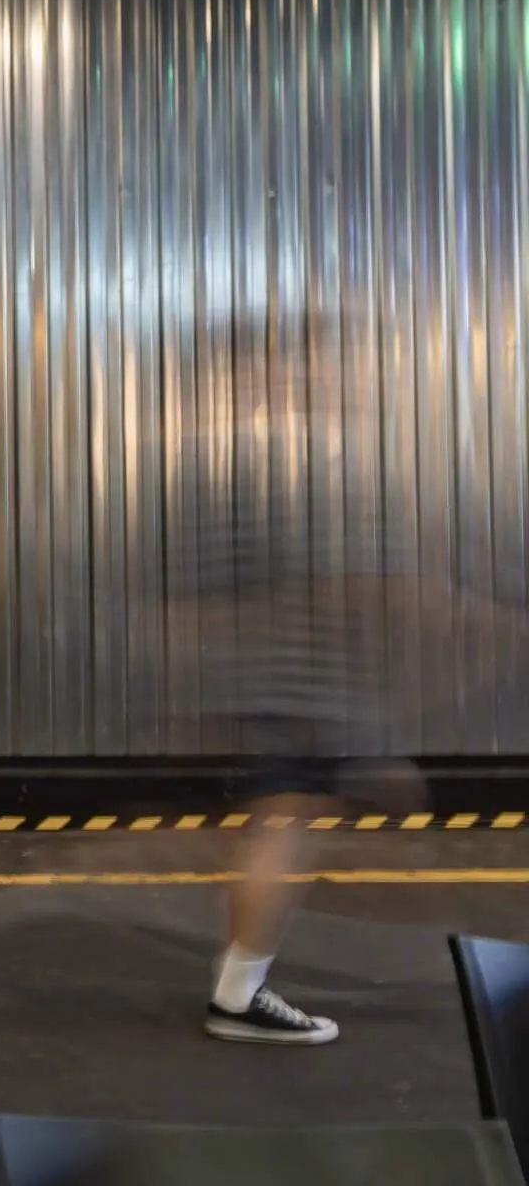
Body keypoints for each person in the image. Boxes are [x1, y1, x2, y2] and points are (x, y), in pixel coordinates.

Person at [167, 315, 404, 1048]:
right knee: (282, 830)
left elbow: (183, 599)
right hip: (299, 682)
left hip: (249, 677)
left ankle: (240, 981)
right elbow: (351, 586)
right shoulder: (312, 461)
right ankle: (239, 992)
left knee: (271, 825)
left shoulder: (205, 467)